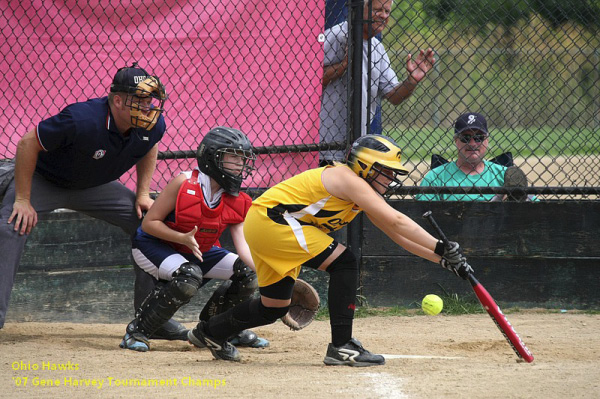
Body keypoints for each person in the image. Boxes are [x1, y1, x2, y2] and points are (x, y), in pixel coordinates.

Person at [186, 134, 473, 366]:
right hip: (273, 221)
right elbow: (397, 219)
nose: (390, 179)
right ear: (365, 167)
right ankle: (341, 346)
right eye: (385, 172)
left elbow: (396, 233)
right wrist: (440, 245)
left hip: (265, 226)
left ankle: (209, 332)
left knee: (273, 307)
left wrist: (442, 260)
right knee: (345, 262)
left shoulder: (360, 191)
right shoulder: (348, 179)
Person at [0, 63, 184, 337]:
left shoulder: (151, 123)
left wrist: (143, 193)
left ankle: (151, 319)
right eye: (139, 100)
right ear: (118, 100)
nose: (147, 107)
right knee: (11, 225)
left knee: (149, 223)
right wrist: (23, 199)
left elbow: (150, 144)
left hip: (95, 186)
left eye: (150, 100)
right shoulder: (82, 119)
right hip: (44, 180)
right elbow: (28, 143)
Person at [120, 127, 269, 352]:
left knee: (247, 274)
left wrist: (271, 274)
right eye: (234, 157)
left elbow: (243, 247)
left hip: (196, 250)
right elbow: (150, 224)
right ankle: (137, 331)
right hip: (153, 245)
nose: (240, 164)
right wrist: (181, 237)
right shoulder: (185, 182)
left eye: (243, 159)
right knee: (189, 275)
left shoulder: (237, 199)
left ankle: (221, 328)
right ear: (212, 157)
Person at [319, 0, 436, 164]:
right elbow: (310, 80)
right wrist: (344, 65)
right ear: (361, 9)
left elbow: (393, 96)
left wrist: (411, 81)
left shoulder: (377, 47)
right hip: (326, 146)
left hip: (358, 148)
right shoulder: (337, 35)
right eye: (378, 10)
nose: (383, 15)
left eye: (387, 11)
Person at [416, 112, 533, 202]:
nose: (472, 143)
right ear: (456, 141)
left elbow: (535, 207)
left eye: (478, 138)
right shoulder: (435, 177)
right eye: (465, 138)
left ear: (486, 141)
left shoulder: (505, 175)